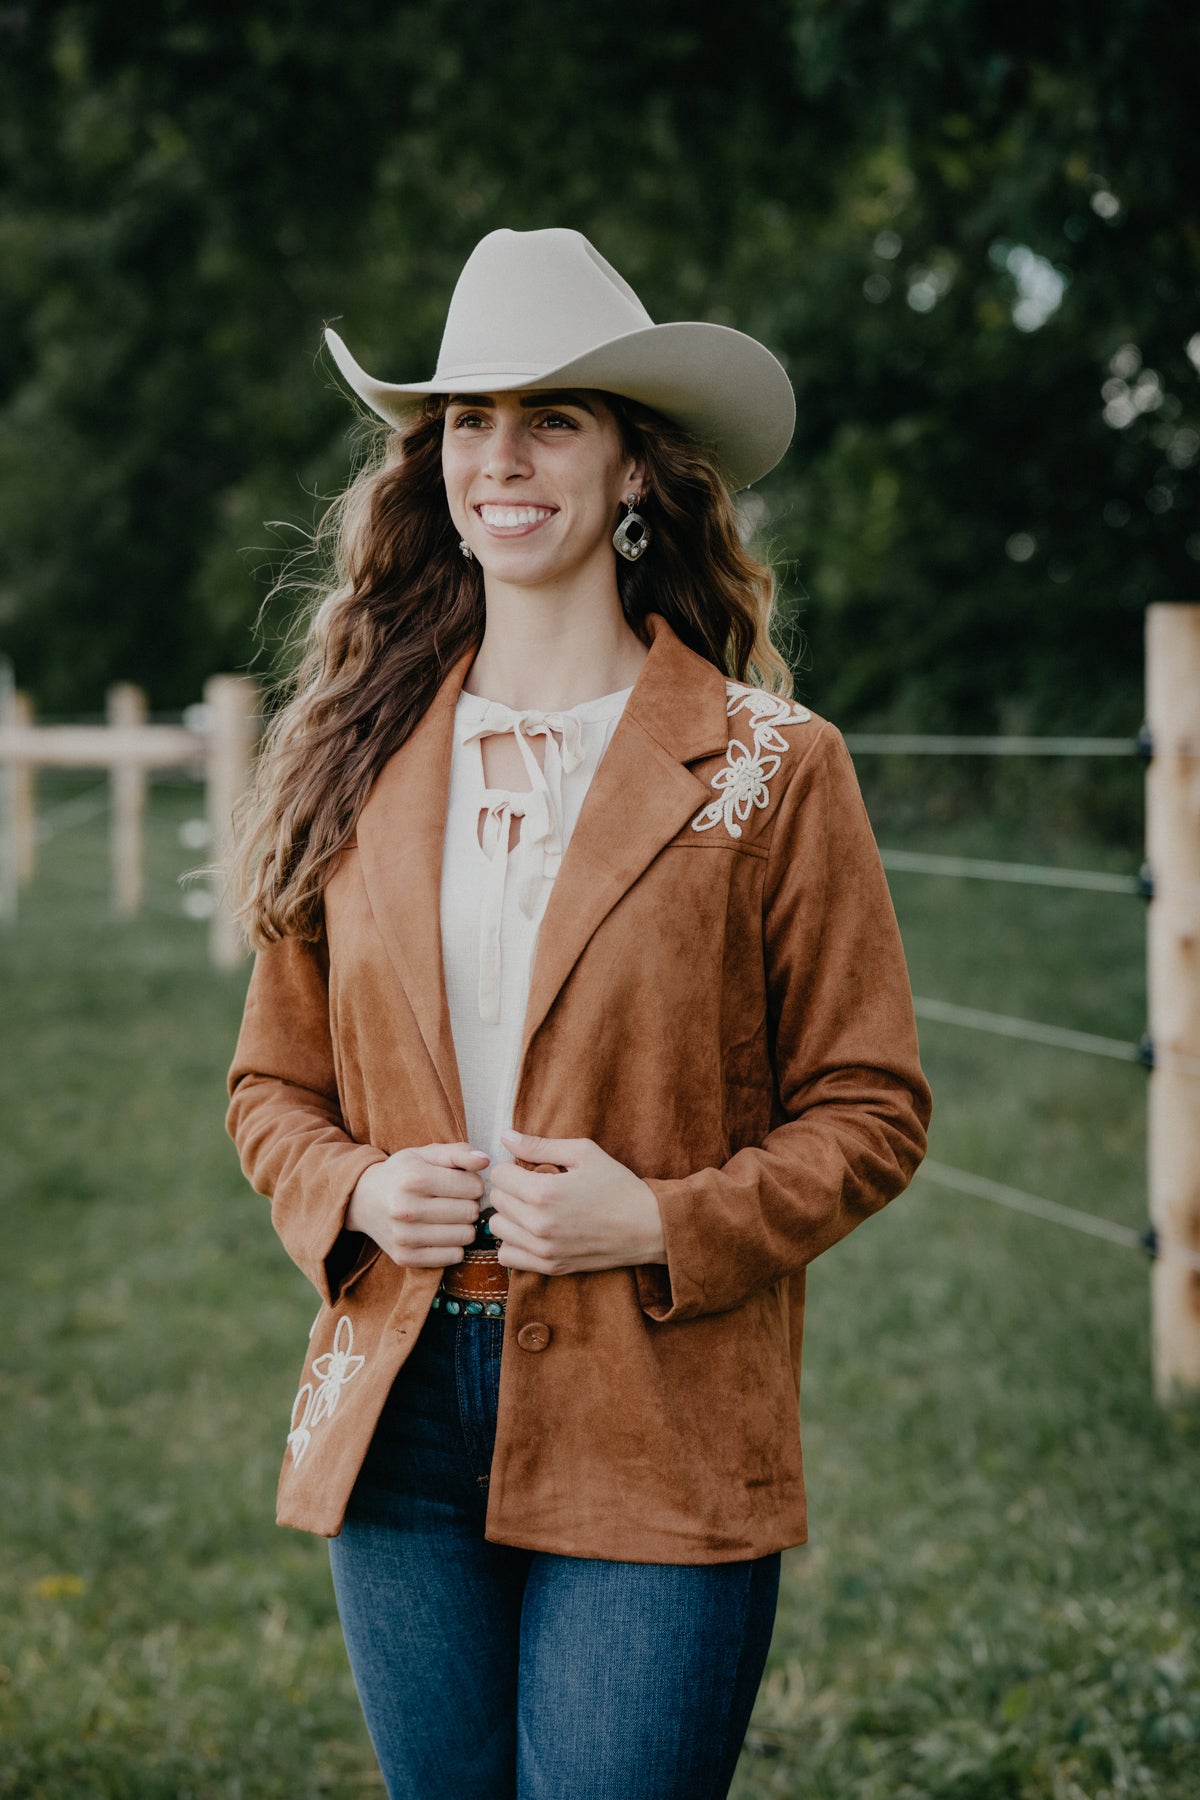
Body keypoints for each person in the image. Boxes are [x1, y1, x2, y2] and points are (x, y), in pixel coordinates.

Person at [226, 226, 931, 1800]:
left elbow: (874, 1109)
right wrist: (355, 1188)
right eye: (472, 422)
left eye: (553, 418)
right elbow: (270, 1085)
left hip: (659, 1409)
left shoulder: (772, 764)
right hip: (395, 1405)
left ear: (634, 471)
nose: (503, 458)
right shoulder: (356, 748)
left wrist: (663, 1220)